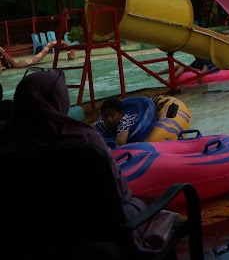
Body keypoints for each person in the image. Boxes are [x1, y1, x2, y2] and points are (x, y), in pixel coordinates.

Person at [2, 69, 173, 252]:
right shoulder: (85, 140)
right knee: (152, 204)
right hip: (99, 226)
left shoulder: (5, 138)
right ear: (59, 98)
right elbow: (119, 192)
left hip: (30, 229)